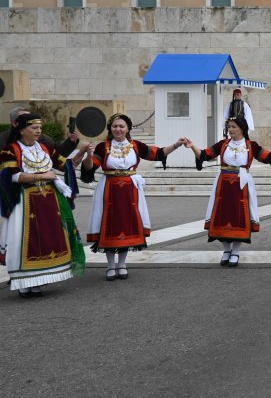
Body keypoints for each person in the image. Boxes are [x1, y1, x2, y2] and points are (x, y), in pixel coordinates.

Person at [80, 113, 187, 281]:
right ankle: (110, 266)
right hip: (109, 190)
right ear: (110, 128)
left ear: (128, 128)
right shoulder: (103, 147)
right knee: (109, 224)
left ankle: (122, 265)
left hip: (130, 191)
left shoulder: (136, 146)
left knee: (126, 225)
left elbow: (157, 153)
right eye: (115, 126)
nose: (118, 129)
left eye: (121, 126)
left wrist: (177, 145)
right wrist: (88, 155)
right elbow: (90, 167)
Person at [0, 113, 87, 297]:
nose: (38, 131)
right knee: (26, 238)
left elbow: (67, 166)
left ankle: (39, 279)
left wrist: (83, 151)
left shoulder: (45, 149)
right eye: (33, 127)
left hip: (49, 200)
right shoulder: (11, 149)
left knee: (47, 237)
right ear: (22, 129)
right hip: (25, 200)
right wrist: (41, 176)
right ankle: (24, 282)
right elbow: (11, 176)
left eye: (40, 128)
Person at [187, 116, 271, 267]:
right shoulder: (223, 144)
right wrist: (192, 146)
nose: (230, 130)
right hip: (223, 185)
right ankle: (226, 250)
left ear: (242, 128)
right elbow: (205, 155)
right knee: (223, 216)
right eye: (229, 127)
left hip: (241, 186)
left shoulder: (251, 146)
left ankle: (236, 251)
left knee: (239, 217)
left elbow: (268, 157)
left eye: (233, 127)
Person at [2, 107, 79, 158]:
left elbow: (58, 155)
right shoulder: (3, 140)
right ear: (15, 123)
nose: (38, 131)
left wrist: (70, 142)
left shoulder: (43, 138)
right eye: (24, 119)